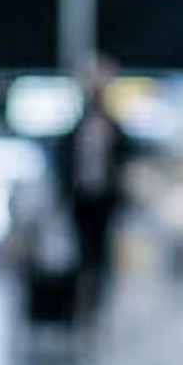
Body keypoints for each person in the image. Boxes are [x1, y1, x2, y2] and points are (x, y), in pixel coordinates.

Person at [49, 55, 135, 318]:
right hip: (80, 199)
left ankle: (96, 305)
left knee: (101, 255)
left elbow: (125, 163)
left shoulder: (115, 129)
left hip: (105, 200)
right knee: (81, 254)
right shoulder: (76, 129)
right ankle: (80, 305)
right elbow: (63, 162)